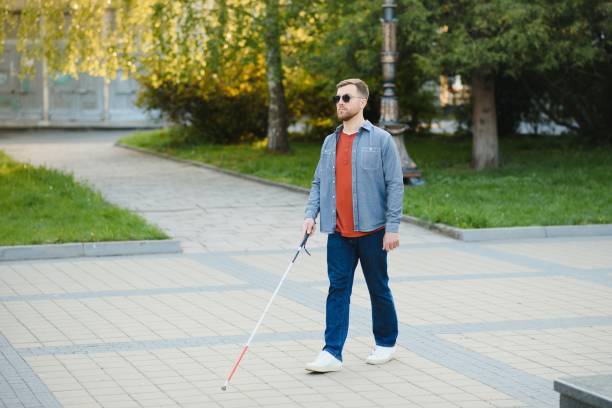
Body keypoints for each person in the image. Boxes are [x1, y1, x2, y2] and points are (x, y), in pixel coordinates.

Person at [303, 78, 404, 372]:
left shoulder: (381, 140)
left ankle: (386, 343)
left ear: (362, 102)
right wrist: (311, 214)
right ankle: (332, 352)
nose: (340, 103)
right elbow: (319, 181)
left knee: (378, 288)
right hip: (338, 232)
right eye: (337, 98)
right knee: (338, 290)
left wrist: (393, 227)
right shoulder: (330, 142)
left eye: (346, 97)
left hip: (372, 231)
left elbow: (395, 184)